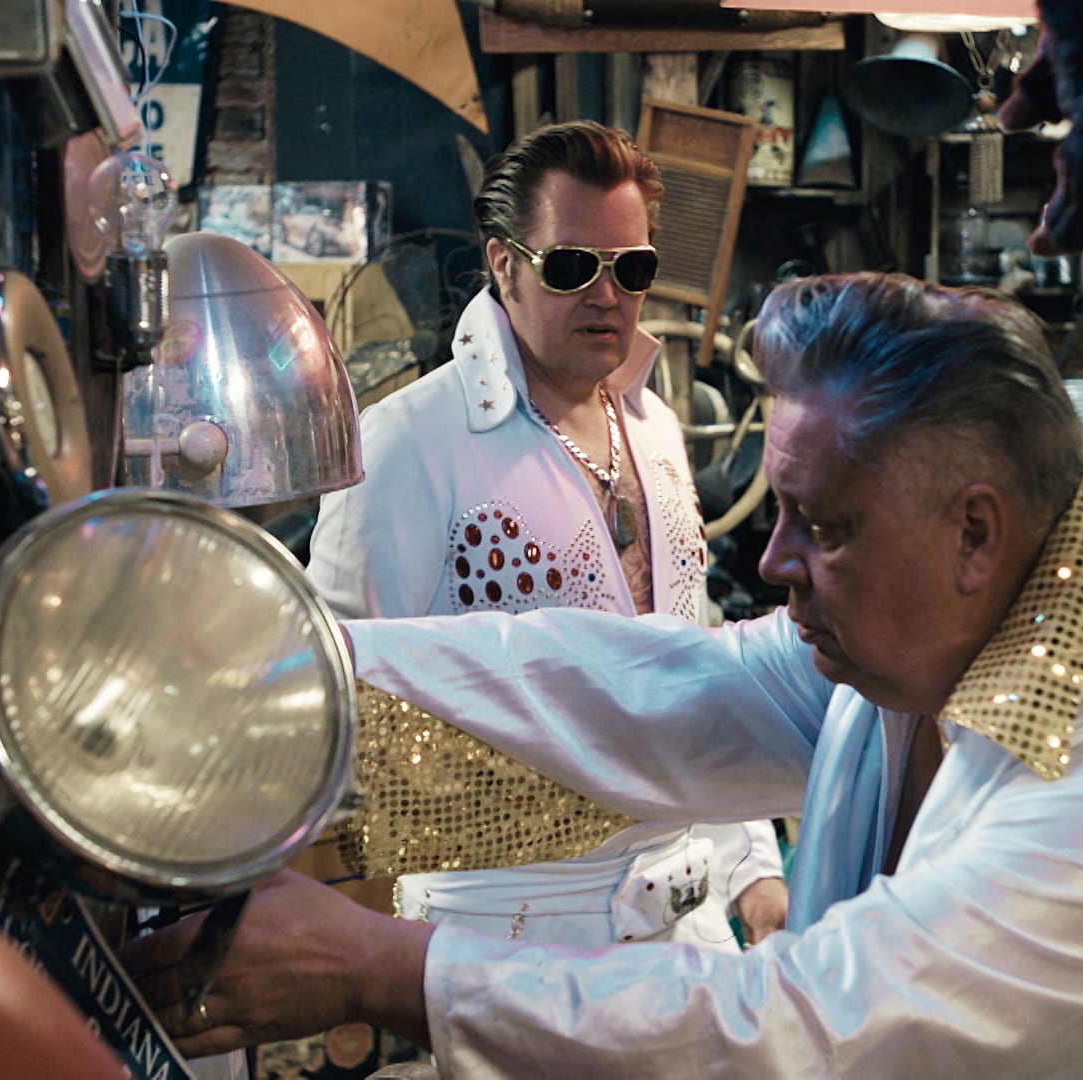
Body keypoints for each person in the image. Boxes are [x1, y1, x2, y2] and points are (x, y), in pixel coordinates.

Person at [128, 272, 1083, 1078]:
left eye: (823, 527)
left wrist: (380, 969)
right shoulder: (931, 661)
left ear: (975, 534)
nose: (774, 562)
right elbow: (631, 691)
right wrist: (284, 673)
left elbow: (800, 1033)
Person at [304, 119, 788, 953]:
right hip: (505, 933)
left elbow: (694, 660)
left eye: (632, 269)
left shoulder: (657, 429)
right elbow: (341, 697)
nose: (607, 295)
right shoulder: (409, 441)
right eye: (571, 267)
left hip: (688, 922)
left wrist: (750, 862)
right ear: (504, 264)